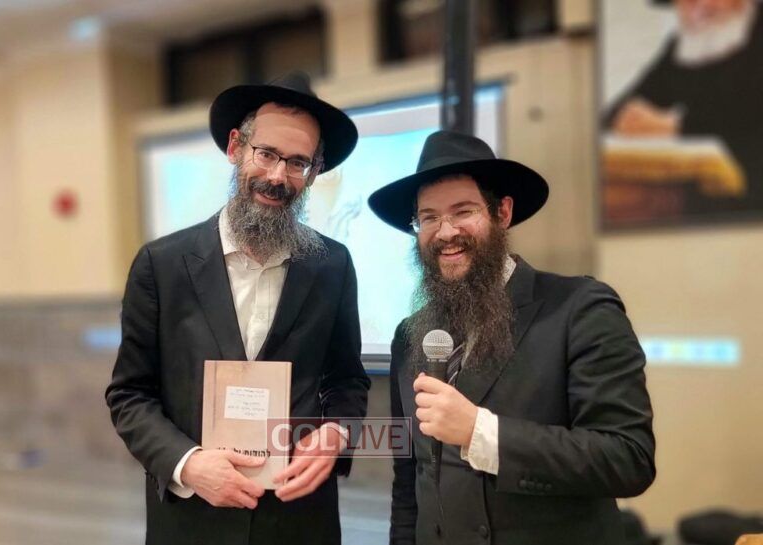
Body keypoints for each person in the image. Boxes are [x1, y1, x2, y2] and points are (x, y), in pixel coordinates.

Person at [106, 71, 370, 545]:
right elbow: (130, 395)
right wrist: (188, 464)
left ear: (313, 173)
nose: (277, 176)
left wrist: (336, 433)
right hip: (192, 521)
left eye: (297, 162)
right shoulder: (161, 265)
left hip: (299, 520)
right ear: (235, 147)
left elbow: (347, 380)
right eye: (266, 153)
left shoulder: (332, 264)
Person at [368, 130, 656, 545]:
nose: (445, 232)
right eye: (428, 217)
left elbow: (627, 457)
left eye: (463, 211)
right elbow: (409, 477)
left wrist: (479, 431)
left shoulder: (579, 308)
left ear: (502, 212)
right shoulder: (410, 334)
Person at [606, 0, 763, 215]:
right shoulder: (685, 43)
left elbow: (749, 120)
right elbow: (629, 103)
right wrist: (626, 118)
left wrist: (678, 128)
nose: (697, 5)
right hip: (705, 197)